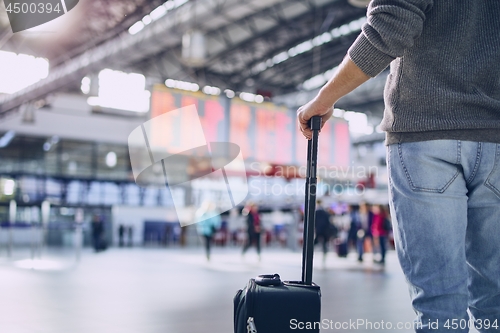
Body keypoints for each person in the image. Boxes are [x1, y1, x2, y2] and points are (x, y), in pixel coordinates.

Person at [297, 1, 500, 331]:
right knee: (496, 299)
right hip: (496, 138)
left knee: (440, 302)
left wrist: (324, 97)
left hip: (425, 134)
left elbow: (389, 27)